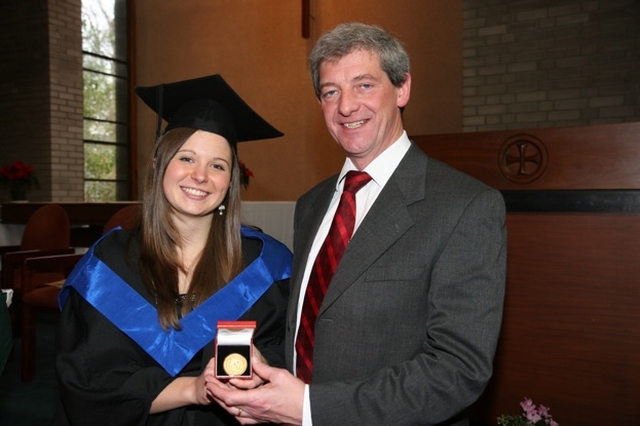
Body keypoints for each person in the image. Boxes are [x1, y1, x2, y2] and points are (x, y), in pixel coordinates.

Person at [205, 23, 507, 426]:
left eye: (364, 85)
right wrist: (265, 374)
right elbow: (318, 328)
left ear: (402, 89)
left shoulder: (466, 206)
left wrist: (311, 409)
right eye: (331, 91)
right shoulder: (312, 204)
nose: (346, 106)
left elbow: (456, 370)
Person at [54, 74, 292, 425]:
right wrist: (193, 389)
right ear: (158, 165)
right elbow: (90, 382)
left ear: (229, 184)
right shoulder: (109, 265)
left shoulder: (266, 265)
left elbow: (291, 349)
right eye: (186, 158)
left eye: (217, 165)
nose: (200, 175)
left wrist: (262, 365)